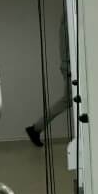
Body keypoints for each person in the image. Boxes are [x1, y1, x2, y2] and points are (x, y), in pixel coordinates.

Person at [26, 11, 71, 147]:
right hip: (71, 68)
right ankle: (35, 128)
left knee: (68, 101)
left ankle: (36, 128)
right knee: (67, 100)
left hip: (69, 67)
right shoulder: (69, 24)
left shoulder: (66, 23)